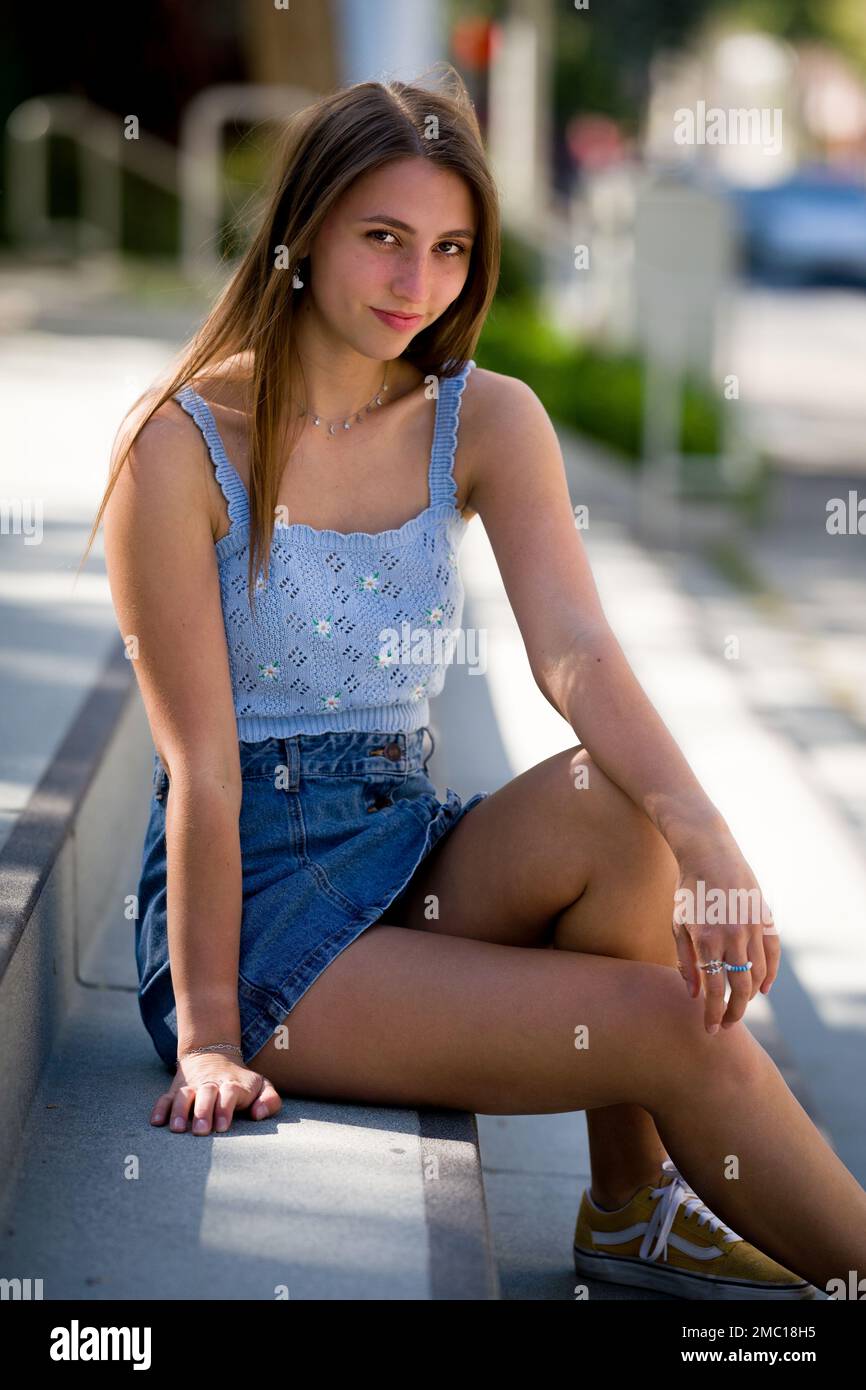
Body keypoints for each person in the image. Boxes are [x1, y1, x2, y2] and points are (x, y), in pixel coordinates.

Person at [82, 66, 866, 1300]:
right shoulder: (179, 450)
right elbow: (199, 766)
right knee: (670, 1023)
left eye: (448, 249)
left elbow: (577, 654)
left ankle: (625, 1203)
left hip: (402, 841)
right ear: (302, 229)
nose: (416, 284)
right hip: (262, 911)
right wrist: (209, 1035)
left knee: (618, 801)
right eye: (382, 239)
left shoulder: (481, 419)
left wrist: (705, 834)